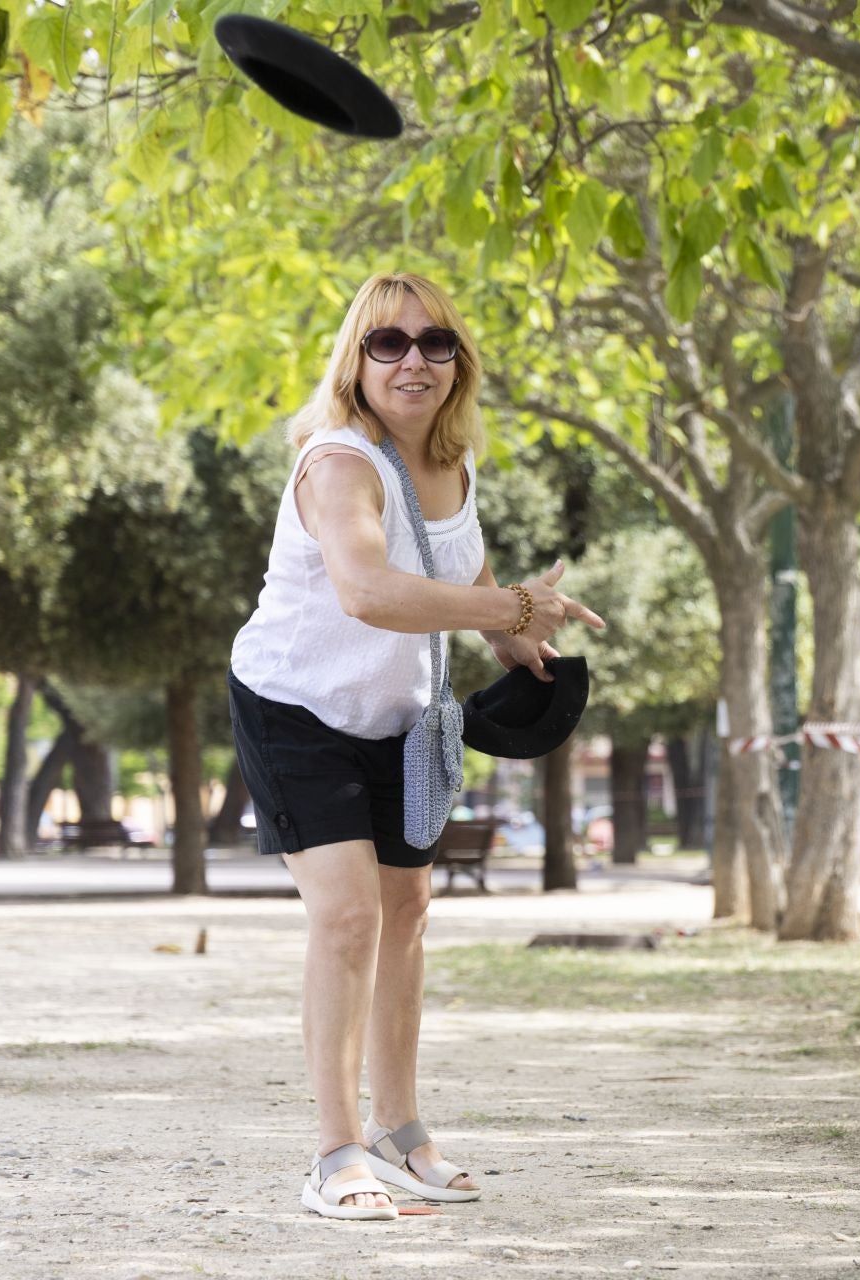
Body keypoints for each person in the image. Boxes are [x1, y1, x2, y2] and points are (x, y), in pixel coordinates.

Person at [227, 272, 605, 1221]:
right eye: (388, 343)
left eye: (435, 343)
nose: (413, 360)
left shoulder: (451, 464)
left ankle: (397, 1129)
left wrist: (513, 640)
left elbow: (452, 557)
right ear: (356, 362)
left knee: (409, 909)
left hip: (400, 718)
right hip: (294, 708)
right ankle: (333, 1154)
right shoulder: (339, 464)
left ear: (457, 364)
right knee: (350, 918)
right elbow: (368, 590)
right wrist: (510, 603)